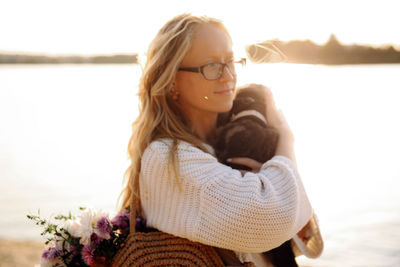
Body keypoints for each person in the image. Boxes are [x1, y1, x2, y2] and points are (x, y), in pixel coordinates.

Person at [119, 13, 323, 266]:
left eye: (231, 61)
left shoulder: (236, 140)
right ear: (172, 79)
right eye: (211, 66)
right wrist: (286, 138)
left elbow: (302, 241)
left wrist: (269, 178)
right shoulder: (165, 157)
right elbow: (273, 221)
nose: (228, 76)